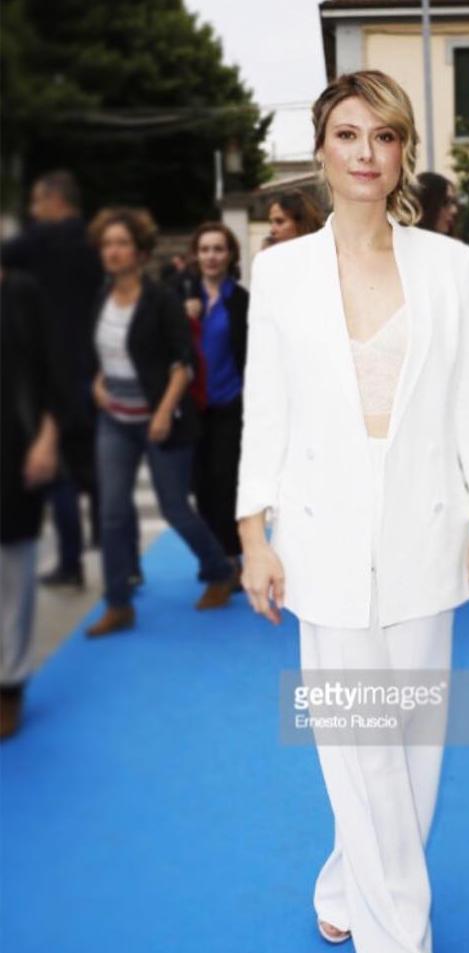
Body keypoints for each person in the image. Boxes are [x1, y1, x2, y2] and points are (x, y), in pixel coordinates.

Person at [235, 70, 469, 953]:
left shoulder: (447, 264)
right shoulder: (281, 272)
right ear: (320, 149)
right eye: (348, 133)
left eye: (383, 136)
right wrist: (253, 534)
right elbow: (266, 411)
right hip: (319, 536)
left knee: (412, 745)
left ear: (403, 153)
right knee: (360, 743)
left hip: (426, 532)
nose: (365, 152)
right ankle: (401, 943)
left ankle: (344, 884)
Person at [85, 208, 239, 637]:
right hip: (115, 420)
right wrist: (98, 383)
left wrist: (163, 412)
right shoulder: (102, 297)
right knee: (112, 513)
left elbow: (183, 363)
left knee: (175, 508)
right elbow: (105, 352)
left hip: (161, 420)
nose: (112, 251)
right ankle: (118, 603)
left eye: (121, 243)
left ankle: (220, 569)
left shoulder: (161, 300)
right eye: (107, 244)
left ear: (140, 252)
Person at [0, 170, 104, 588]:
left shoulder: (38, 241)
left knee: (60, 474)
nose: (33, 211)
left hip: (50, 365)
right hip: (95, 364)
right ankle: (117, 555)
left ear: (55, 201)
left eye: (37, 202)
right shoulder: (94, 242)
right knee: (98, 467)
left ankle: (71, 562)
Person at [0, 269, 59, 738]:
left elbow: (54, 372)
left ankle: (9, 684)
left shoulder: (23, 294)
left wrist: (47, 438)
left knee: (14, 570)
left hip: (13, 449)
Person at [184, 222, 249, 572]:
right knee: (201, 485)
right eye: (205, 249)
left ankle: (229, 556)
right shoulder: (180, 299)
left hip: (230, 404)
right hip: (193, 408)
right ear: (196, 255)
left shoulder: (241, 301)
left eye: (218, 249)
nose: (211, 256)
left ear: (230, 255)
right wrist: (183, 318)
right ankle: (213, 556)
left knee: (225, 482)